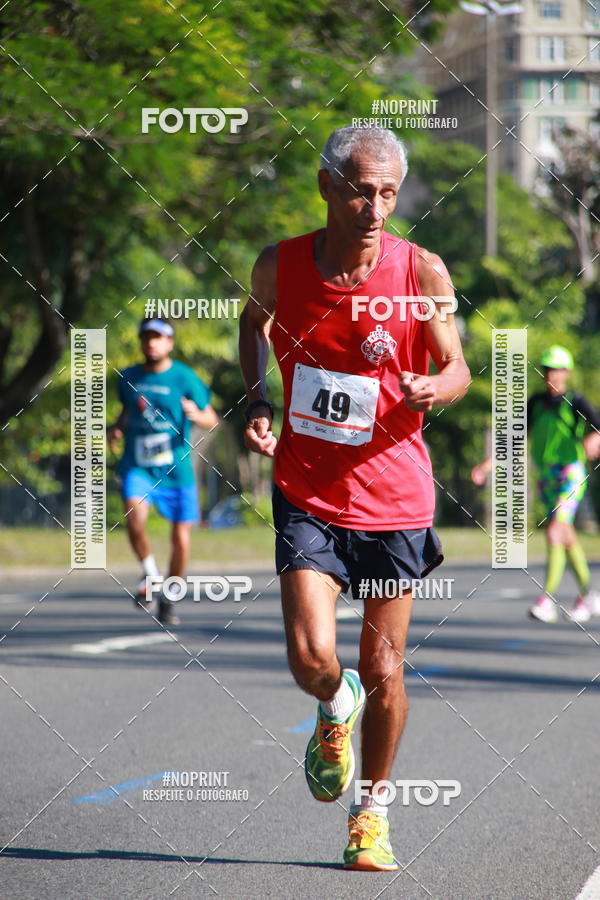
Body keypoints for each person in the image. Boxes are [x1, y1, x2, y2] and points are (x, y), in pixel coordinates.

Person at [239, 125, 470, 870]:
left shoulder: (420, 271)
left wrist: (435, 384)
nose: (375, 208)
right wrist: (257, 401)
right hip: (307, 490)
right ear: (327, 187)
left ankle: (371, 815)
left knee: (384, 670)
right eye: (361, 190)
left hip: (395, 500)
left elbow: (457, 365)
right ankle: (331, 710)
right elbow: (252, 325)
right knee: (314, 658)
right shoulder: (279, 265)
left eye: (388, 193)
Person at [472, 345, 600, 623]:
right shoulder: (537, 403)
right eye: (546, 370)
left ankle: (546, 600)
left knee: (555, 531)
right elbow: (515, 438)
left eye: (556, 369)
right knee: (563, 535)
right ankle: (587, 596)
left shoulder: (576, 400)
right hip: (546, 476)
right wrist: (488, 464)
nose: (550, 375)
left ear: (567, 372)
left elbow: (598, 426)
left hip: (571, 474)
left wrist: (594, 438)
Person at [107, 317, 218, 626]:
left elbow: (213, 418)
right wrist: (116, 429)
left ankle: (169, 597)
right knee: (133, 513)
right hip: (138, 466)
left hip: (177, 471)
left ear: (170, 343)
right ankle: (151, 572)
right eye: (147, 337)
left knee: (181, 540)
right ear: (141, 342)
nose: (152, 343)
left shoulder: (184, 377)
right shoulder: (128, 377)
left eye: (159, 338)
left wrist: (197, 415)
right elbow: (127, 412)